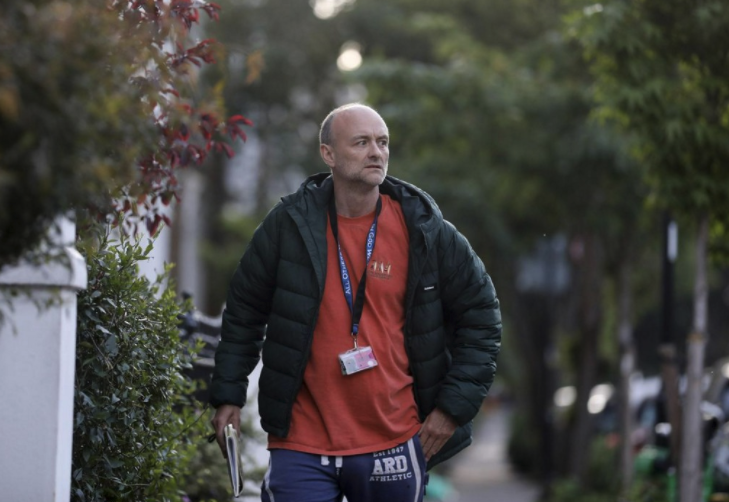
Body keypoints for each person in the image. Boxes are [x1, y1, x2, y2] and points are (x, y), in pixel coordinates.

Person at [210, 103, 502, 502]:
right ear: (328, 153)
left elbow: (482, 316)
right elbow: (244, 312)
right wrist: (228, 393)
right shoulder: (287, 226)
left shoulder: (425, 230)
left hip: (394, 440)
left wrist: (452, 410)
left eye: (382, 143)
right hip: (301, 442)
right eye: (361, 142)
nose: (376, 152)